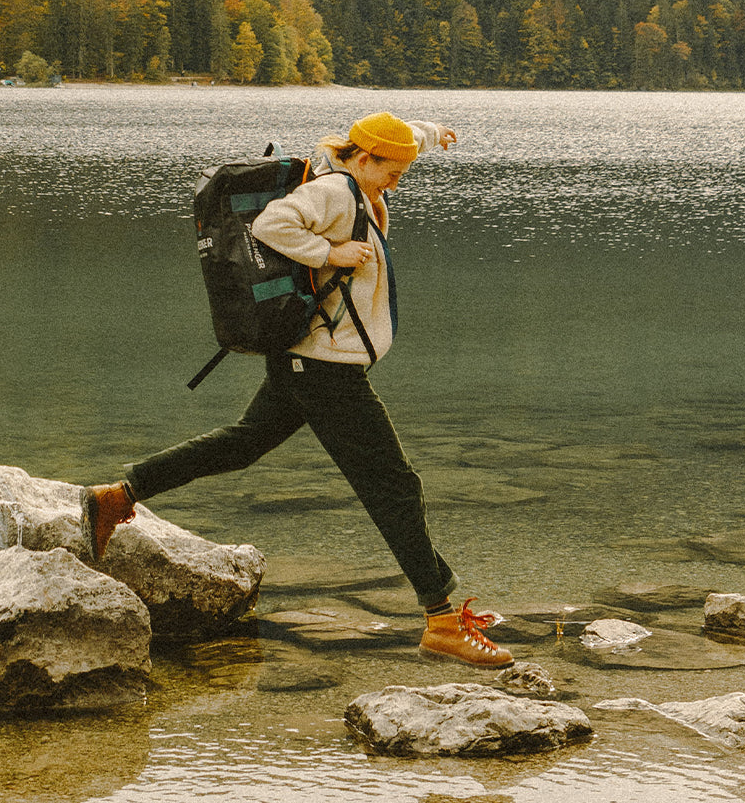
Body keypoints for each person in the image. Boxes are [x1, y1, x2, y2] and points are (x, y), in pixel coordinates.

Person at [82, 112, 512, 670]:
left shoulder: (355, 174)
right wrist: (329, 255)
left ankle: (116, 496)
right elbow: (272, 224)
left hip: (305, 362)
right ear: (362, 159)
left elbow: (395, 146)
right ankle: (441, 621)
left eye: (405, 169)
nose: (398, 180)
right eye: (393, 170)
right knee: (394, 485)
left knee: (243, 443)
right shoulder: (335, 190)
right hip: (324, 369)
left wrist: (429, 135)